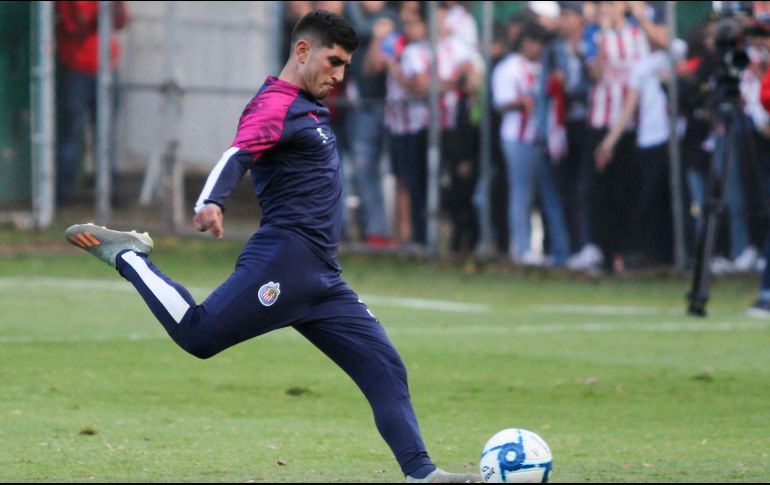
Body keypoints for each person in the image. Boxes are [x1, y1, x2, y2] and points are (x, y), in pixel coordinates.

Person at [64, 10, 479, 484]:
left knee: (385, 366)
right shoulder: (276, 103)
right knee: (198, 336)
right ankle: (130, 257)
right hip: (285, 260)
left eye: (346, 65)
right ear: (302, 50)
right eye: (334, 61)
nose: (340, 75)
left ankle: (422, 473)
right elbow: (237, 153)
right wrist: (210, 201)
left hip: (323, 276)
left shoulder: (309, 106)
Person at [55, 0, 128, 204]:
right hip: (77, 69)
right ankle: (63, 193)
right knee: (70, 133)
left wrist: (116, 7)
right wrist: (103, 11)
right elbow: (76, 27)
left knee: (106, 134)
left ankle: (107, 191)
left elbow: (120, 22)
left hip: (107, 69)